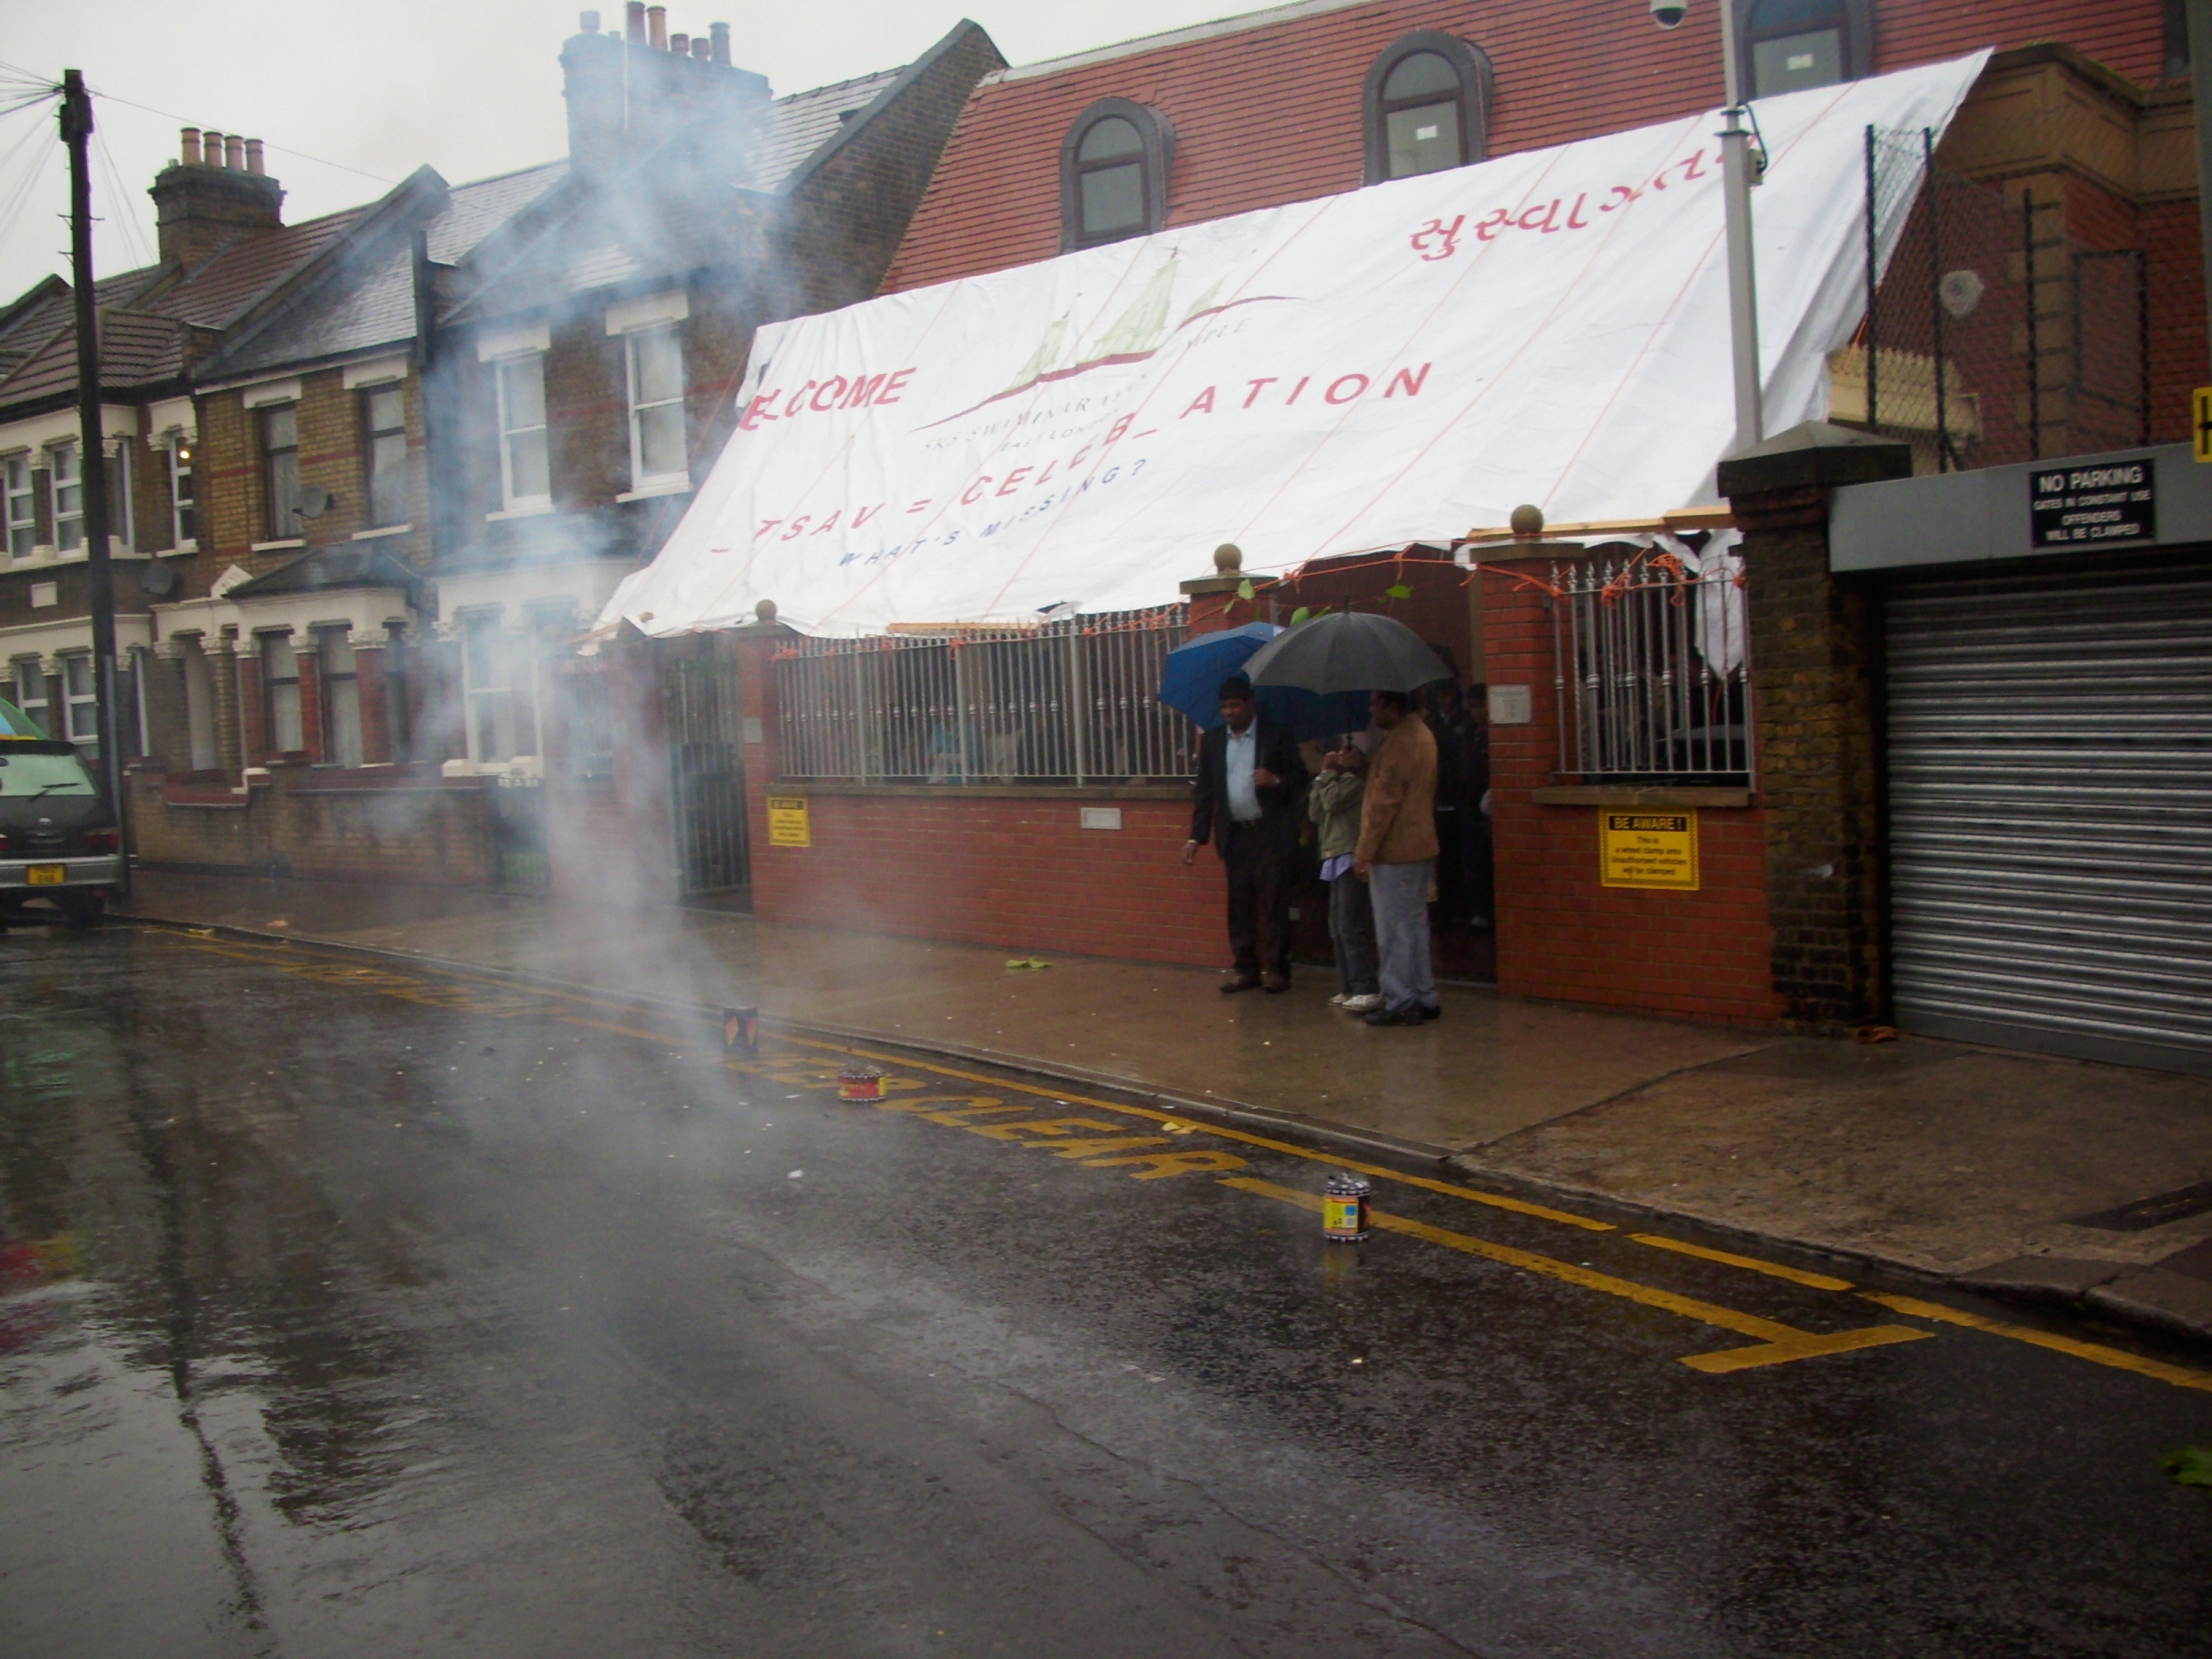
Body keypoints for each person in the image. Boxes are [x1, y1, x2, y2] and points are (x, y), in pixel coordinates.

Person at [1183, 677, 1308, 993]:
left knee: (1274, 902)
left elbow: (1299, 776)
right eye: (1224, 706)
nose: (1229, 712)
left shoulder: (1274, 735)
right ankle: (1246, 969)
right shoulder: (1213, 742)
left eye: (1235, 705)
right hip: (1235, 834)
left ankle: (1278, 970)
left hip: (1269, 832)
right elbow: (1205, 793)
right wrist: (1196, 837)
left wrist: (1275, 779)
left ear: (1250, 703)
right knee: (1239, 905)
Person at [1354, 688, 1439, 1026]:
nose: (1372, 711)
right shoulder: (1421, 734)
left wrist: (1364, 851)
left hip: (1395, 848)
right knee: (1415, 923)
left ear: (1392, 706)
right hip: (1418, 843)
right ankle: (1423, 993)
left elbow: (1383, 801)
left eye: (1376, 704)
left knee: (1393, 928)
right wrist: (1362, 766)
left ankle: (1400, 998)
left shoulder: (1400, 742)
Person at [1308, 737, 1381, 1012]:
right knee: (1336, 927)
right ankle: (1346, 985)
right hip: (1332, 855)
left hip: (1351, 855)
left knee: (1350, 925)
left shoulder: (1356, 783)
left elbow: (1332, 803)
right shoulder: (1331, 782)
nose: (1338, 757)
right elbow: (1315, 811)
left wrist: (1327, 774)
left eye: (1345, 753)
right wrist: (1321, 778)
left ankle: (1366, 986)